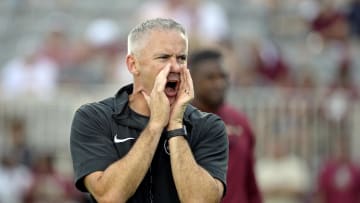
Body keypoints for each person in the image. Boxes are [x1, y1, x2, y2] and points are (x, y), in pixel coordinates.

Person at [70, 18, 228, 203]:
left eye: (181, 58)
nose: (176, 67)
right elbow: (109, 196)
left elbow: (201, 201)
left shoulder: (208, 125)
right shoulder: (94, 118)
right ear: (133, 65)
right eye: (163, 57)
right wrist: (155, 126)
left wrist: (175, 126)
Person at [188, 49, 262, 203]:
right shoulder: (177, 123)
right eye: (210, 78)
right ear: (191, 79)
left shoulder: (240, 122)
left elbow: (250, 183)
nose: (219, 83)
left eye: (223, 76)